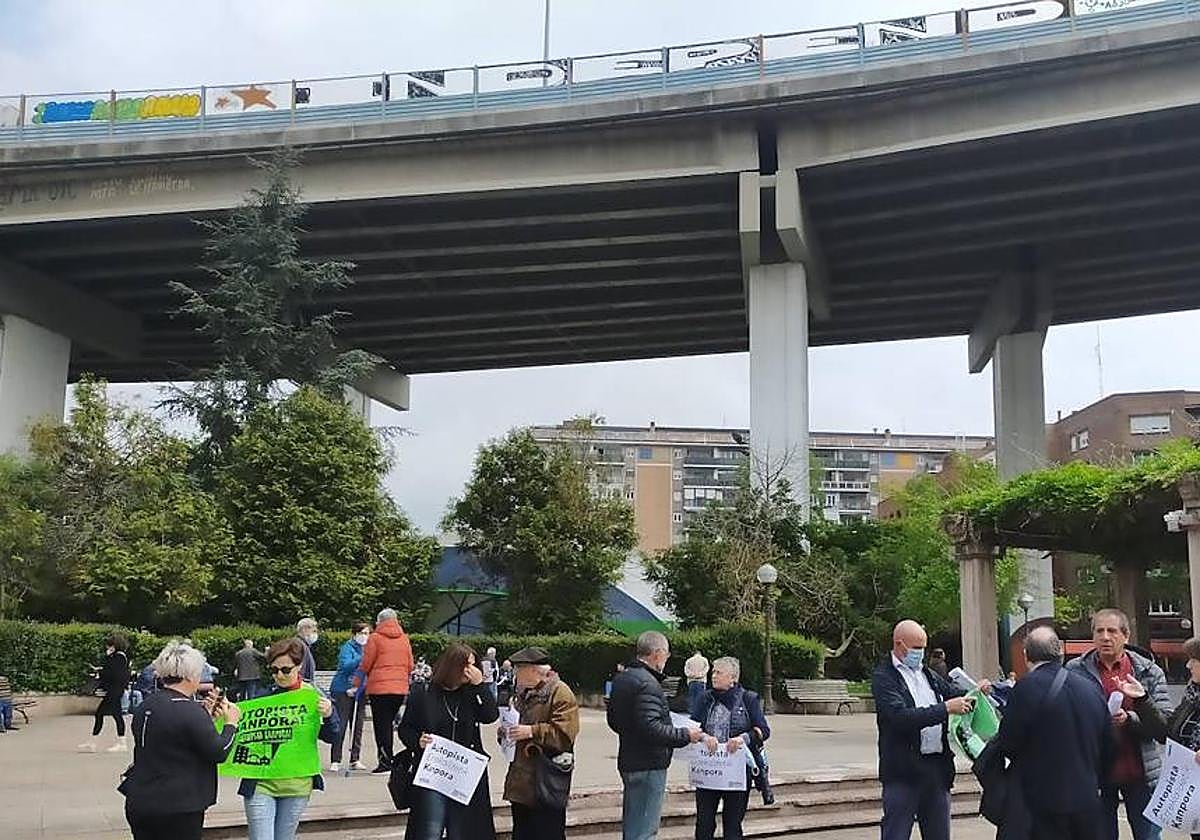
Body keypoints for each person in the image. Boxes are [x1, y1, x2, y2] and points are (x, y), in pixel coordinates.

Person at [991, 627, 1115, 839]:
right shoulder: (1091, 688)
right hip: (1087, 798)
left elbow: (1009, 742)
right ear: (1061, 653)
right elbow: (1109, 745)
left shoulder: (1025, 688)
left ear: (1026, 655)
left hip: (1042, 801)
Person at [872, 619, 988, 840]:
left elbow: (954, 693)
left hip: (935, 769)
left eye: (923, 648)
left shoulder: (927, 674)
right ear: (899, 644)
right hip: (903, 772)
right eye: (916, 648)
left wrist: (976, 691)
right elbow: (900, 717)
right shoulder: (884, 677)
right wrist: (945, 709)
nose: (921, 653)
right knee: (896, 832)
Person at [118, 641, 242, 840]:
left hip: (141, 799)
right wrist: (231, 724)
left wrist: (206, 718)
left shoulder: (147, 704)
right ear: (190, 675)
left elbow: (172, 737)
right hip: (179, 805)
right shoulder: (190, 711)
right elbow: (218, 752)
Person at [1065, 607, 1170, 840]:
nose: (1105, 637)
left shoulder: (1149, 672)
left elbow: (1163, 728)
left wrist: (1130, 719)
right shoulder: (1074, 671)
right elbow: (1067, 722)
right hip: (1097, 774)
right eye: (1099, 631)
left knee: (1149, 836)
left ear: (1126, 636)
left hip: (1141, 773)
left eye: (1112, 631)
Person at [607, 630, 705, 840]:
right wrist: (686, 735)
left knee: (633, 825)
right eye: (666, 655)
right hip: (648, 763)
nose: (666, 660)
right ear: (658, 654)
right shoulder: (648, 684)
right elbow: (651, 728)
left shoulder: (623, 679)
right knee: (644, 829)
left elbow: (614, 721)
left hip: (630, 759)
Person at [239, 637, 340, 840]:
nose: (279, 675)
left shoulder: (313, 695)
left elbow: (332, 736)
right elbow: (245, 730)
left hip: (297, 784)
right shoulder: (262, 696)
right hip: (261, 783)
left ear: (299, 666)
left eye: (286, 670)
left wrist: (329, 715)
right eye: (274, 670)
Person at [397, 641, 499, 840]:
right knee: (430, 826)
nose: (470, 671)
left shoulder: (471, 692)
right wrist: (417, 741)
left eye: (473, 665)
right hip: (434, 771)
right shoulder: (424, 692)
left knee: (465, 827)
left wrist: (480, 686)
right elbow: (405, 728)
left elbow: (490, 715)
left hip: (465, 771)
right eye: (466, 665)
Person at [501, 646, 581, 840]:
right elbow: (517, 724)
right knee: (522, 833)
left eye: (519, 669)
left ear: (534, 670)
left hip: (546, 781)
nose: (516, 674)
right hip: (522, 783)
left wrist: (531, 731)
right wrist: (506, 731)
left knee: (547, 832)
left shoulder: (560, 692)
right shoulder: (523, 693)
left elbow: (565, 734)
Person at [692, 656, 770, 840]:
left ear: (732, 678)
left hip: (736, 772)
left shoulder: (748, 699)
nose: (714, 675)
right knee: (704, 822)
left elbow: (764, 730)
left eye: (719, 672)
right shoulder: (705, 698)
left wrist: (743, 739)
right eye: (713, 671)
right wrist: (703, 736)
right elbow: (692, 726)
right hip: (708, 770)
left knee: (733, 823)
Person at [354, 607, 414, 773]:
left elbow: (366, 664)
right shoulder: (404, 638)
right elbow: (410, 665)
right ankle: (395, 758)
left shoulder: (375, 638)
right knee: (391, 724)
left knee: (382, 725)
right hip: (399, 689)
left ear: (379, 621)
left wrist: (356, 682)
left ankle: (385, 761)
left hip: (379, 689)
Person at [1163, 636, 1200, 840]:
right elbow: (1168, 729)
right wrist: (1142, 701)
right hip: (1194, 791)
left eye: (1194, 660)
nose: (1188, 665)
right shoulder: (1191, 696)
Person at [80, 632, 132, 753]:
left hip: (114, 690)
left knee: (107, 714)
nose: (107, 648)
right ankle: (96, 742)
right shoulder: (119, 657)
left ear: (114, 645)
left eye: (109, 646)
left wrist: (101, 672)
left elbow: (113, 673)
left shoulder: (119, 657)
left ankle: (114, 742)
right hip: (115, 690)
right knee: (110, 714)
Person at [330, 621, 370, 772]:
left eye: (367, 633)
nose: (365, 636)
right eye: (362, 633)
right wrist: (360, 658)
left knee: (358, 726)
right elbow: (345, 666)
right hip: (342, 689)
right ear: (355, 634)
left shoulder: (368, 649)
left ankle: (355, 758)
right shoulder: (347, 648)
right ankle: (336, 759)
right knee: (341, 724)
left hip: (359, 691)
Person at [684, 651, 711, 719]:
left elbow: (686, 670)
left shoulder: (689, 660)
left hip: (691, 681)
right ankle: (699, 713)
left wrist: (692, 675)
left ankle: (691, 712)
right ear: (700, 653)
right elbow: (706, 669)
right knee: (700, 697)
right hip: (701, 681)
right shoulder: (704, 660)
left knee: (692, 697)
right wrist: (700, 674)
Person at [295, 618, 319, 683]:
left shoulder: (303, 645)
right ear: (304, 629)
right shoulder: (299, 646)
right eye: (313, 631)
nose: (316, 634)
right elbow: (299, 672)